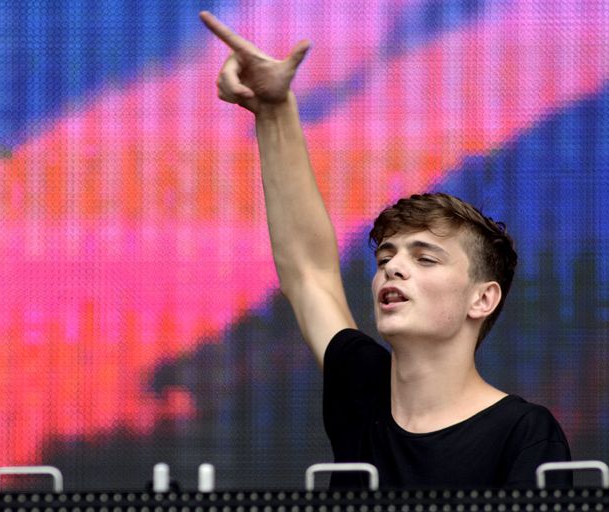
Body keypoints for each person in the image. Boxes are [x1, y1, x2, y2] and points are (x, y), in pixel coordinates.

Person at [199, 11, 571, 488]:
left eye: (425, 257)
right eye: (385, 257)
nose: (394, 267)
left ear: (482, 298)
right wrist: (273, 110)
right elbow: (308, 273)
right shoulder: (362, 388)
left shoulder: (524, 433)